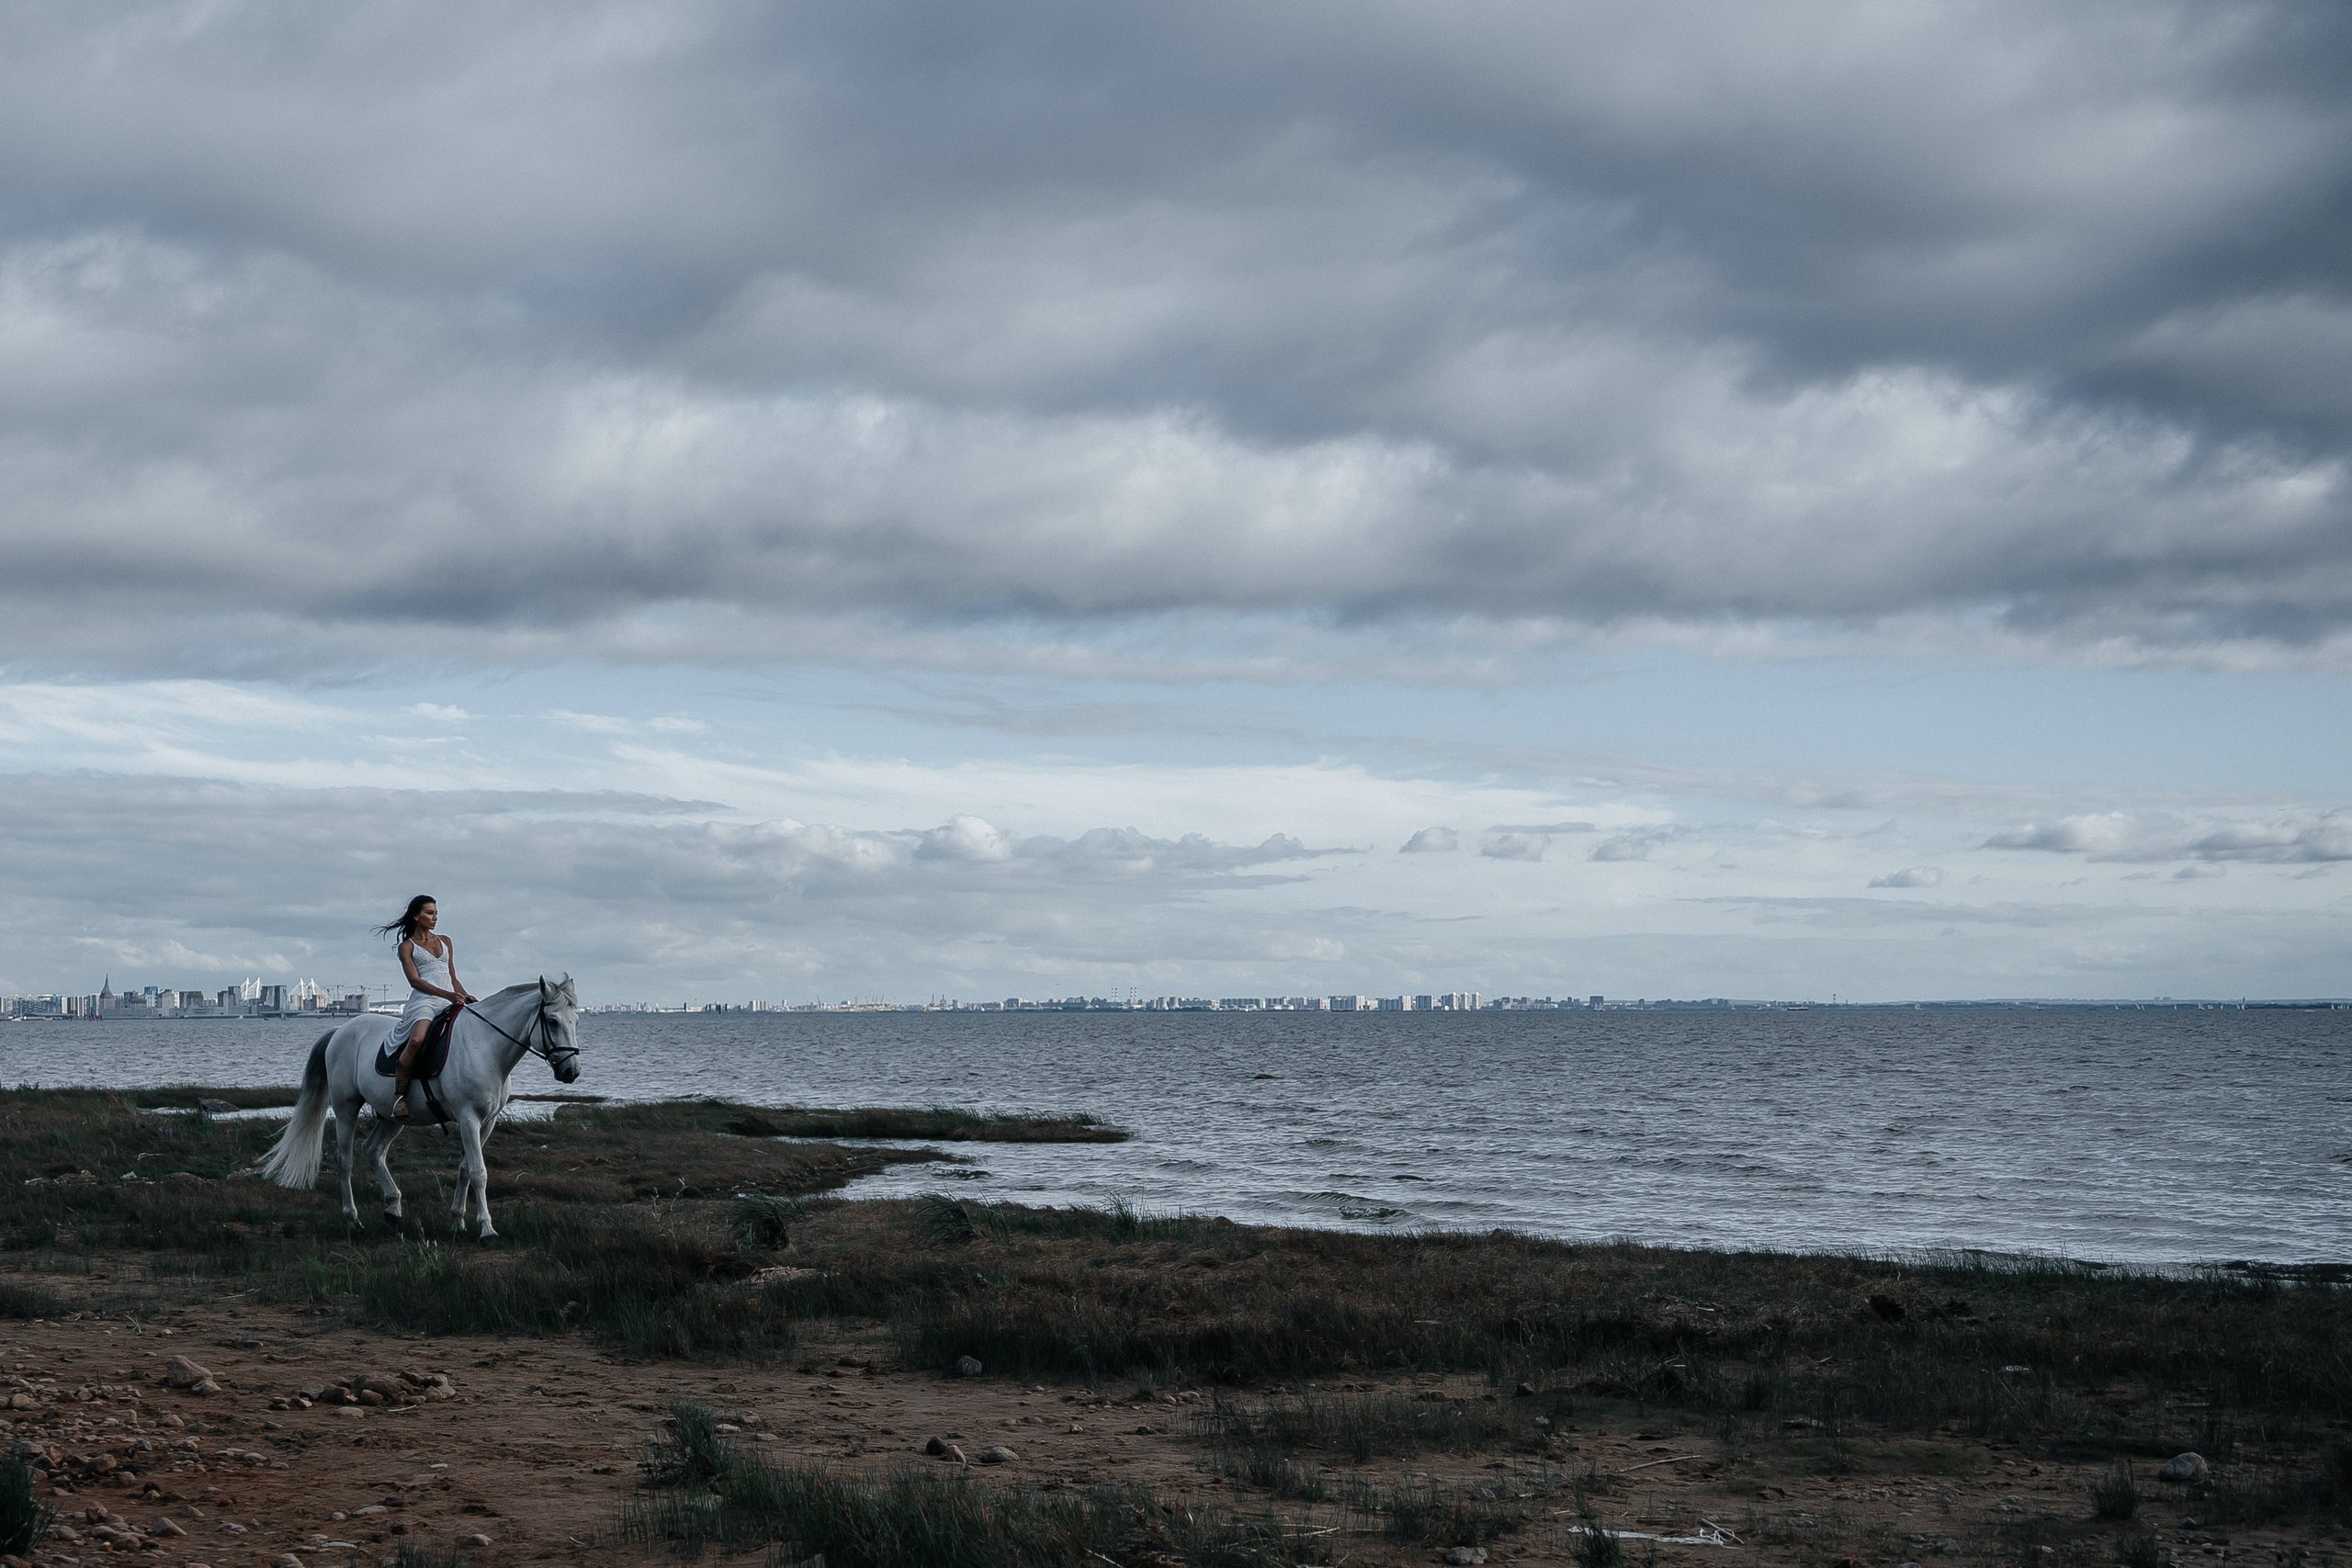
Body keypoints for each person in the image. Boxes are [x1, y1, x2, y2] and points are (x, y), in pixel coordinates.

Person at [375, 895, 476, 1119]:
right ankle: (400, 1096)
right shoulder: (407, 947)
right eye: (430, 913)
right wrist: (447, 994)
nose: (435, 918)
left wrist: (464, 995)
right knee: (416, 1040)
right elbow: (415, 981)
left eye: (436, 913)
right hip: (425, 1001)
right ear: (416, 916)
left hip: (450, 996)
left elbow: (452, 976)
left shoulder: (446, 941)